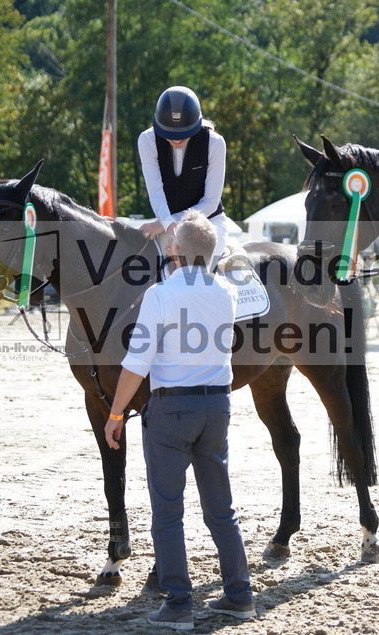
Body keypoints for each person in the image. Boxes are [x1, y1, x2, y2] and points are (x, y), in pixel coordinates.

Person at [103, 210, 254, 630]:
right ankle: (239, 594)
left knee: (167, 512)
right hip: (216, 407)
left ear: (174, 249)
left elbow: (137, 363)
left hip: (172, 410)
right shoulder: (227, 292)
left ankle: (179, 603)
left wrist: (116, 412)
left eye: (171, 242)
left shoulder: (159, 294)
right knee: (221, 508)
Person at [138, 86, 228, 269]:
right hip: (166, 220)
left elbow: (210, 202)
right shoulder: (147, 140)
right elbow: (156, 193)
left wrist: (170, 227)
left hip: (207, 223)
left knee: (198, 272)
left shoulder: (215, 143)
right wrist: (170, 227)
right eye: (170, 134)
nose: (177, 139)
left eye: (183, 134)